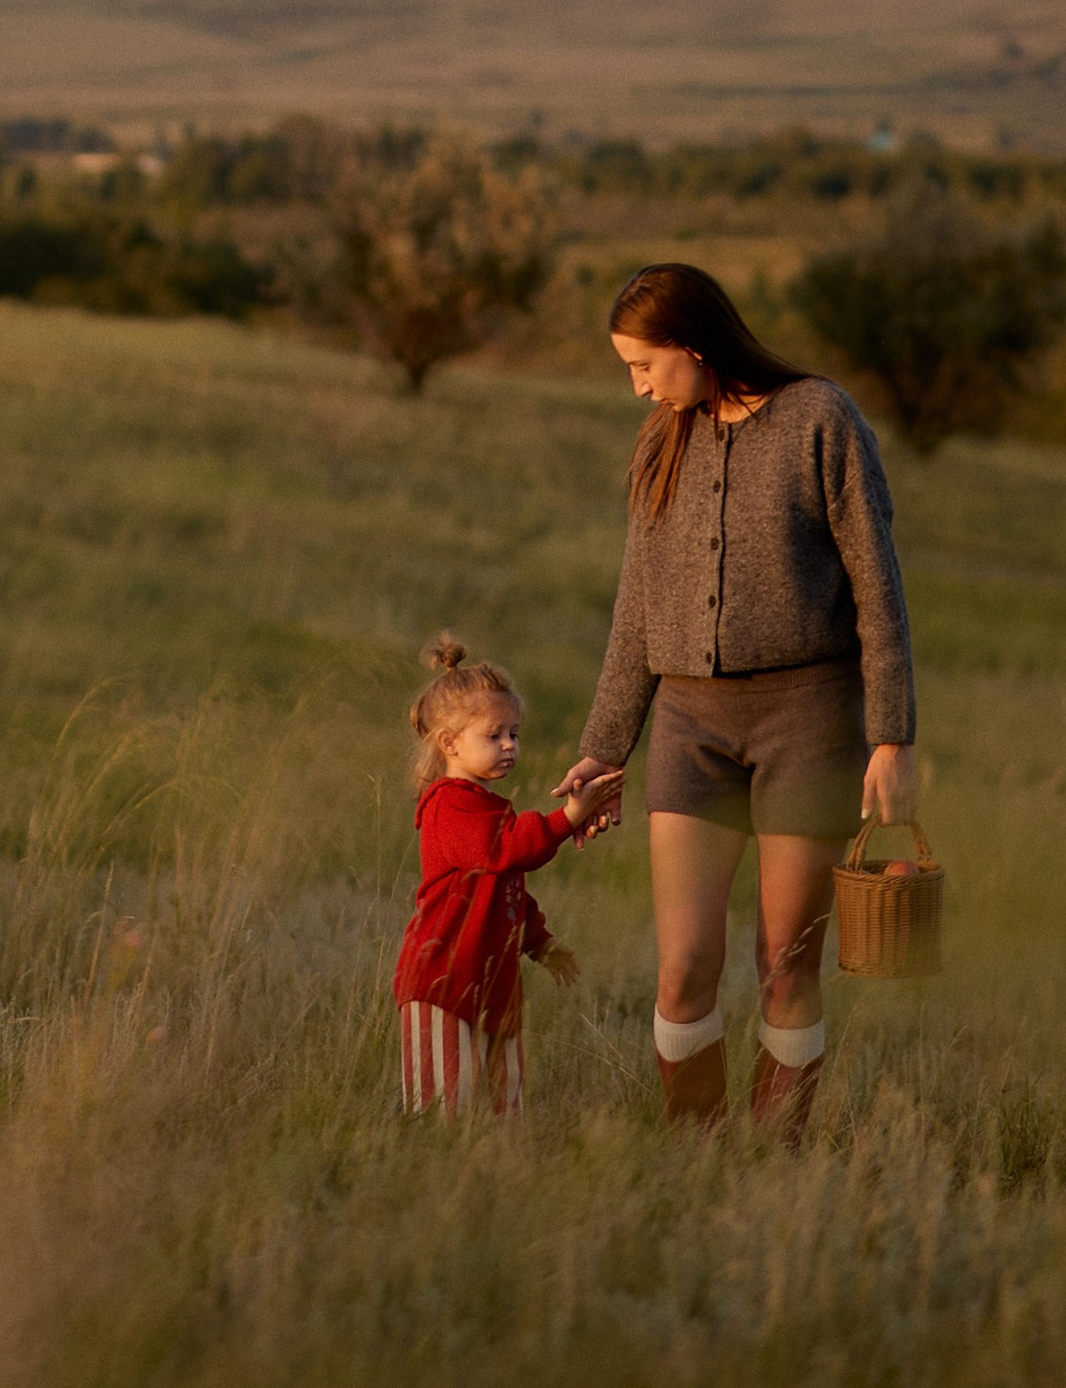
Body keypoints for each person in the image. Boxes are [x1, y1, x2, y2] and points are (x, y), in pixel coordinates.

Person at [554, 263, 917, 1148]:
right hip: (688, 727)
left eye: (644, 365)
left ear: (693, 345)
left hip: (811, 720)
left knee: (784, 966)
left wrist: (892, 736)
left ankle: (778, 1157)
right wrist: (605, 748)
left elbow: (878, 583)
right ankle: (696, 1154)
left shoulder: (820, 419)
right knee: (684, 968)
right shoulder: (659, 443)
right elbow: (636, 607)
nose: (637, 387)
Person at [393, 634, 622, 1115]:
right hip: (441, 980)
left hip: (491, 981)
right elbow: (507, 852)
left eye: (514, 734)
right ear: (450, 743)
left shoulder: (488, 804)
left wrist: (538, 942)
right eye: (493, 735)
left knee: (504, 1100)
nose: (508, 745)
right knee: (443, 1107)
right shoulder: (448, 805)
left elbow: (506, 890)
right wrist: (569, 818)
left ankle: (497, 1171)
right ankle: (438, 1177)